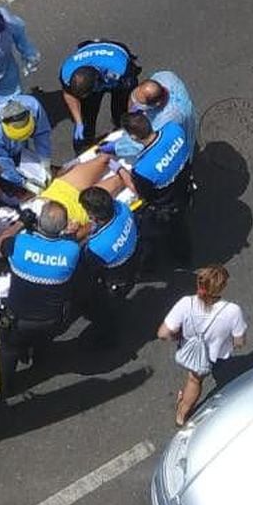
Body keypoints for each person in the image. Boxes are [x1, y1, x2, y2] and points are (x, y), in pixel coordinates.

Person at [0, 199, 81, 393]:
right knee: (43, 341)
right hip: (51, 318)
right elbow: (68, 243)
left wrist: (20, 223)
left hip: (18, 319)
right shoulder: (71, 251)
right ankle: (40, 362)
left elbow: (1, 244)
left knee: (9, 351)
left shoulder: (21, 243)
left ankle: (6, 387)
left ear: (39, 222)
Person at [158, 265, 247, 427]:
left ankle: (181, 411)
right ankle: (181, 415)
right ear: (222, 287)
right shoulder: (233, 311)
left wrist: (178, 336)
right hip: (213, 356)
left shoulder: (186, 304)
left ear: (199, 284)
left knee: (193, 378)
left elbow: (163, 333)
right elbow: (239, 342)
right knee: (195, 380)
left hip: (187, 350)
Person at [116, 111, 196, 272]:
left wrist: (119, 170)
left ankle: (155, 264)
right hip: (185, 189)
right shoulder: (174, 130)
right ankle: (184, 258)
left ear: (133, 137)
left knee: (153, 234)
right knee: (181, 229)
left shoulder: (143, 170)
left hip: (167, 207)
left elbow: (143, 194)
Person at [76, 187, 139, 347]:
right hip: (132, 261)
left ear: (93, 215)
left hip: (114, 280)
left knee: (104, 312)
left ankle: (107, 339)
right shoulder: (122, 208)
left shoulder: (98, 247)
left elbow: (86, 268)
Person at [59, 39, 140, 150]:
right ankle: (84, 148)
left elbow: (132, 92)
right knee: (87, 117)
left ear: (98, 82)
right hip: (94, 63)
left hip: (116, 64)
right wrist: (78, 121)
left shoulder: (121, 69)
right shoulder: (66, 73)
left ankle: (122, 133)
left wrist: (131, 112)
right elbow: (69, 94)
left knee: (121, 112)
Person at [0, 96, 52, 190]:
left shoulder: (33, 105)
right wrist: (22, 182)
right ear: (3, 124)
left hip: (15, 147)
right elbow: (2, 164)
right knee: (0, 179)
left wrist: (45, 162)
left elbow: (42, 133)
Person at [129, 71, 196, 149]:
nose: (136, 106)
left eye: (141, 105)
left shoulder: (167, 118)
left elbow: (153, 138)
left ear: (157, 104)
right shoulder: (165, 77)